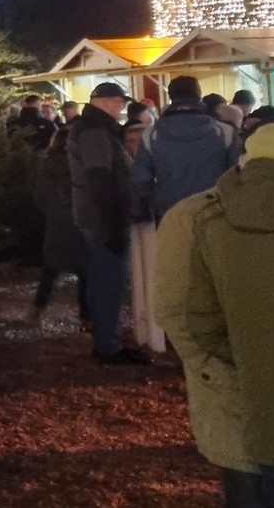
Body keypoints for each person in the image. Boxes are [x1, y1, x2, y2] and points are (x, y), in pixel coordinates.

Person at [157, 120, 274, 508]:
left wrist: (248, 366)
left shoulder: (198, 218)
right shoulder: (199, 216)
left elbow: (189, 317)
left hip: (258, 408)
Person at [129, 76, 238, 354]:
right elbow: (239, 175)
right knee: (217, 279)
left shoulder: (151, 134)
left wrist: (161, 199)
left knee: (180, 277)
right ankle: (220, 338)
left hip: (170, 217)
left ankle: (181, 342)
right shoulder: (224, 132)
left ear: (171, 97)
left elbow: (140, 180)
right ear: (199, 97)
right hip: (217, 215)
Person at [69, 81, 148, 366]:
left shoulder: (93, 128)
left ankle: (107, 341)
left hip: (97, 214)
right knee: (108, 281)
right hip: (102, 217)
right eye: (119, 102)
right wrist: (114, 221)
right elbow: (99, 178)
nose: (122, 108)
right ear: (103, 102)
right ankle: (108, 346)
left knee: (104, 279)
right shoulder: (95, 131)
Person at [29, 128, 89, 329]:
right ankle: (86, 317)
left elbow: (40, 197)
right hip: (80, 221)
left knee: (51, 269)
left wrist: (54, 212)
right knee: (85, 272)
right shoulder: (80, 164)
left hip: (57, 222)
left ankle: (37, 309)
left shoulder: (46, 164)